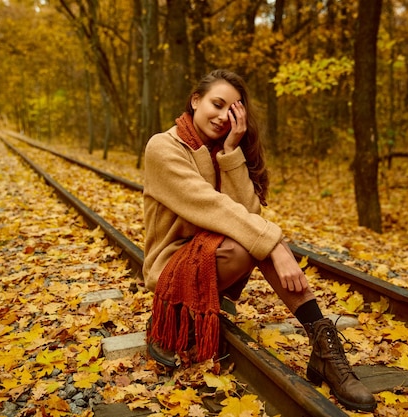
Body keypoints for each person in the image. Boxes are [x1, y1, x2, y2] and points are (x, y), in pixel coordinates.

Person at [142, 69, 376, 412]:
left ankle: (324, 346)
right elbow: (211, 206)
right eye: (216, 104)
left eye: (232, 111)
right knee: (252, 241)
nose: (223, 117)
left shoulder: (224, 148)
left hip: (210, 254)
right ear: (195, 100)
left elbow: (248, 211)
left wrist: (232, 151)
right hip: (172, 264)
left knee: (254, 236)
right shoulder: (164, 146)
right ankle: (177, 315)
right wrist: (277, 246)